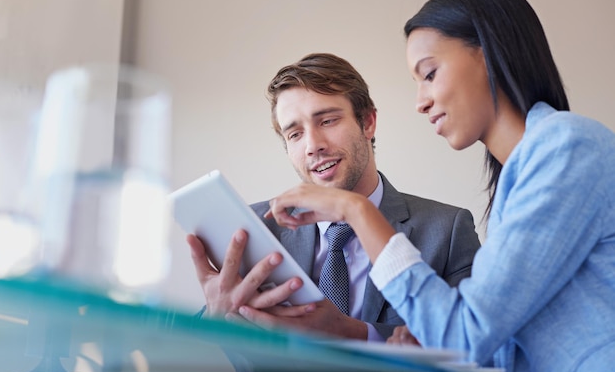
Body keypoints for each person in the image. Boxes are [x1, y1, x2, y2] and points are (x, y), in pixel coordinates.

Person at [246, 0, 615, 372]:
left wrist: (354, 210)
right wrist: (407, 350)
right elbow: (500, 352)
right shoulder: (521, 179)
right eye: (294, 133)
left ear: (488, 54)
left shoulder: (566, 148)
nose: (420, 101)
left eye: (430, 73)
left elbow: (466, 335)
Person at [186, 52, 481, 342]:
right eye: (295, 134)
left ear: (368, 122)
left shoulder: (448, 230)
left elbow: (472, 346)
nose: (313, 146)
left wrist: (354, 333)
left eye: (327, 121)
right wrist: (214, 320)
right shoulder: (253, 228)